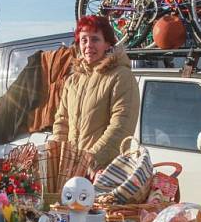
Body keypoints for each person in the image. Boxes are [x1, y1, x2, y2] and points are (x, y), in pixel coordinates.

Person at [52, 16, 139, 167]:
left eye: (95, 39)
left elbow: (121, 125)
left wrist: (91, 159)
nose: (88, 45)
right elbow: (62, 122)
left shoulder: (121, 76)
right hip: (71, 171)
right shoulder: (72, 81)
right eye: (84, 40)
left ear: (107, 43)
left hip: (105, 172)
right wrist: (56, 158)